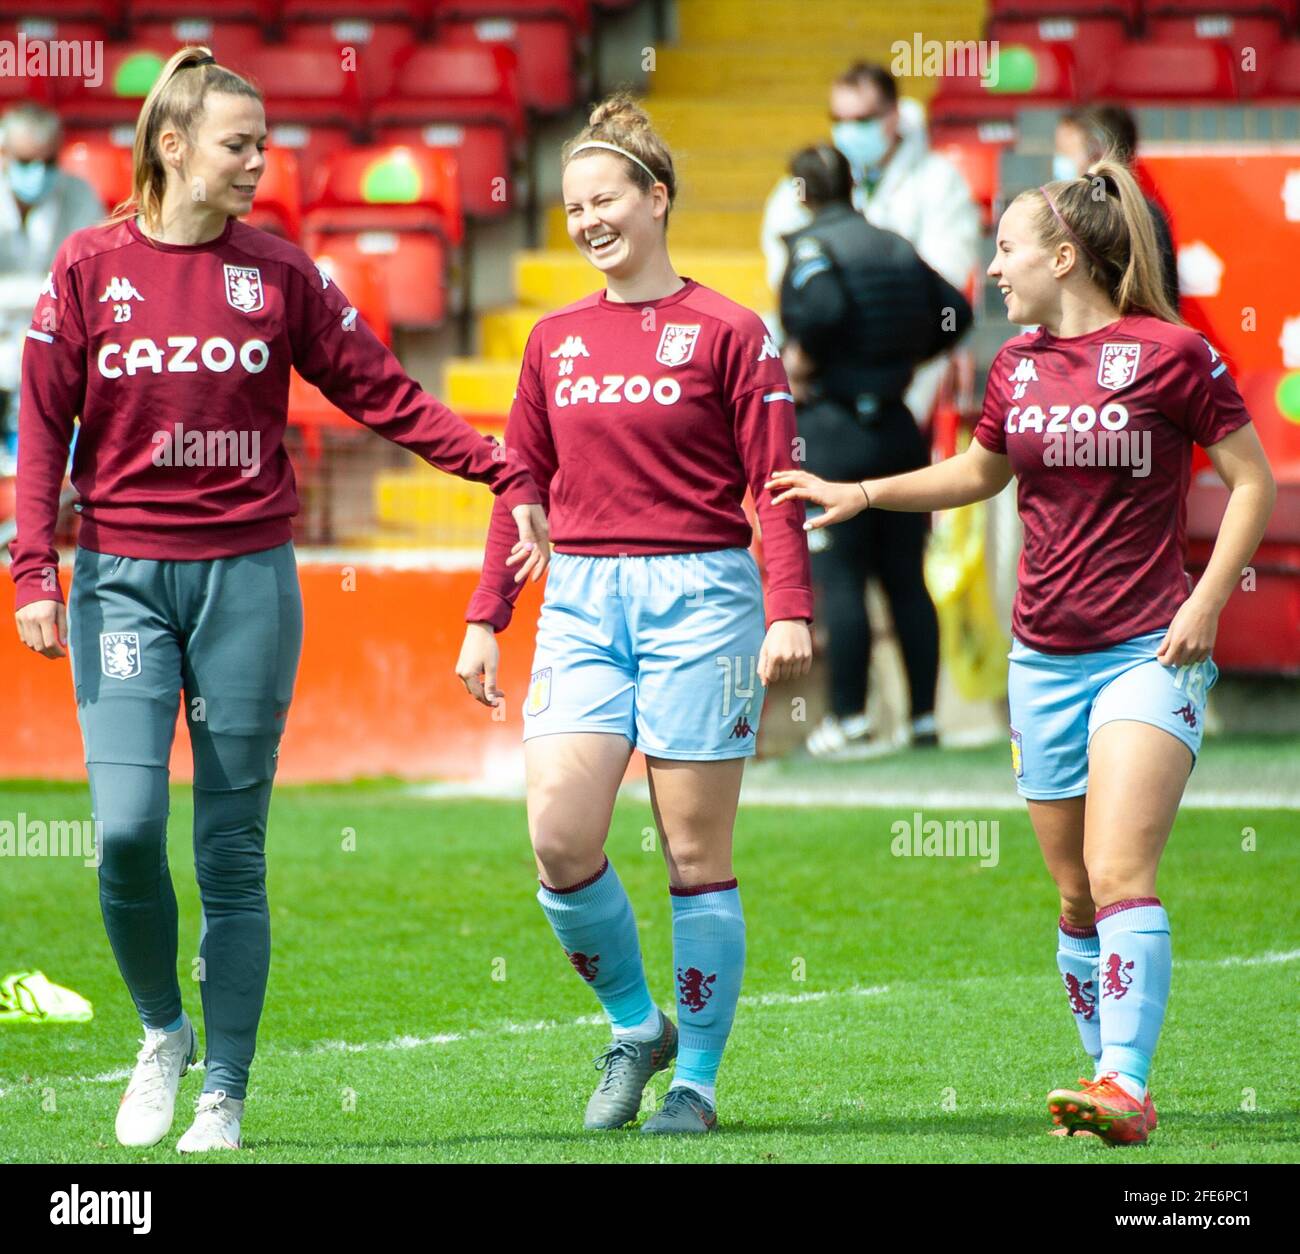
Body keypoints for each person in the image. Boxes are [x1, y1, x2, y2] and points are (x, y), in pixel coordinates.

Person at [10, 46, 545, 1153]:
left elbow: (383, 393)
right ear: (173, 147)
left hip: (249, 581)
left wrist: (494, 462)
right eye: (239, 145)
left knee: (232, 851)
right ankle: (163, 1030)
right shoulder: (85, 265)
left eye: (264, 145)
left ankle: (227, 1092)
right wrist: (31, 572)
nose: (261, 163)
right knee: (123, 834)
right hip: (118, 582)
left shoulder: (283, 275)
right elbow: (40, 432)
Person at [766, 159, 1275, 1145]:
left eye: (1004, 249)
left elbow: (1248, 482)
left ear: (1063, 254)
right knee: (1075, 891)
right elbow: (978, 471)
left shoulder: (1172, 353)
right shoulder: (1016, 365)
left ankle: (1125, 1085)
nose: (990, 270)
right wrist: (860, 493)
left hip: (1146, 652)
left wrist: (1207, 602)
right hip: (1039, 661)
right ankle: (1101, 1081)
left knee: (1120, 870)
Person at [456, 92, 813, 1135]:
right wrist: (488, 613)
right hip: (581, 601)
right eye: (572, 209)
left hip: (702, 596)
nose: (588, 222)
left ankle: (694, 1082)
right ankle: (635, 1024)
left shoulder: (734, 332)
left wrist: (788, 608)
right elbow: (517, 485)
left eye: (604, 199)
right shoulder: (551, 340)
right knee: (559, 840)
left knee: (694, 854)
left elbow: (775, 485)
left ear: (655, 198)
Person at [778, 143, 972, 757]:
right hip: (896, 427)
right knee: (905, 579)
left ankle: (849, 719)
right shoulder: (893, 244)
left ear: (803, 193)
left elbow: (825, 310)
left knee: (841, 579)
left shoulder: (811, 247)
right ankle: (921, 719)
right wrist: (897, 362)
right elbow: (956, 313)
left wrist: (807, 357)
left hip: (834, 431)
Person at [761, 60, 979, 430]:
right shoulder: (801, 184)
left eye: (862, 120)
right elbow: (787, 275)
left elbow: (946, 280)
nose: (848, 131)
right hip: (824, 341)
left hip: (902, 341)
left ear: (894, 114)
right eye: (838, 120)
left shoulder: (939, 181)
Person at [0, 103, 104, 472]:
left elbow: (88, 286)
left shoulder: (80, 195)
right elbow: (58, 288)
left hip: (56, 338)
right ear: (4, 155)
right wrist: (41, 294)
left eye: (47, 162)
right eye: (27, 161)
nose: (38, 173)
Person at [1055, 103, 1179, 314]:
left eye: (1066, 153)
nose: (1059, 162)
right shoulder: (1138, 210)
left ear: (1096, 152)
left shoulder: (1121, 214)